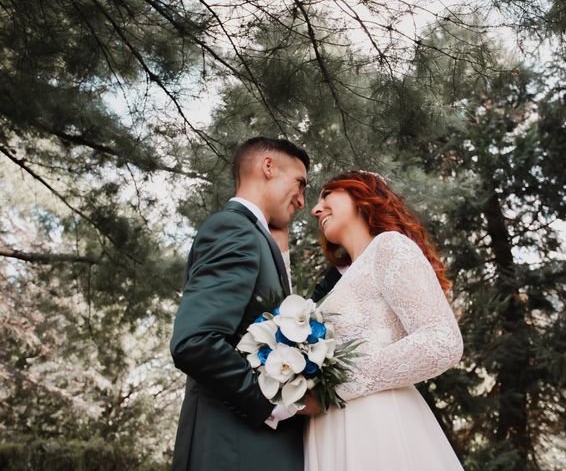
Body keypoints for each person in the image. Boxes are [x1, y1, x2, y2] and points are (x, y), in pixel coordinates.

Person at [169, 137, 320, 471]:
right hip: (233, 450)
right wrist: (279, 403)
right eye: (300, 183)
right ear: (268, 167)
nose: (301, 200)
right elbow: (195, 342)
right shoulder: (234, 229)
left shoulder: (255, 237)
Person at [306, 170, 465, 470]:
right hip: (327, 434)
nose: (315, 209)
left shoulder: (389, 246)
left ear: (359, 193)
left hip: (378, 427)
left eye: (326, 194)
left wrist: (333, 387)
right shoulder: (334, 286)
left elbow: (443, 340)